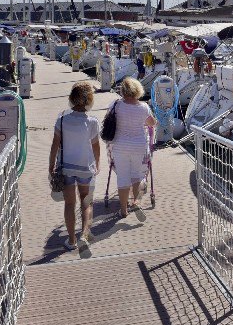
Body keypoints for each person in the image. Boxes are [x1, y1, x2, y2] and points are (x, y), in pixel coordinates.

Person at [48, 81, 101, 249]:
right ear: (89, 100)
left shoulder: (62, 120)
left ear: (71, 98)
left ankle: (71, 240)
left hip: (66, 167)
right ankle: (84, 235)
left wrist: (50, 166)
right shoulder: (92, 122)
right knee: (86, 202)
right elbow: (96, 146)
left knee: (69, 204)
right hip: (86, 166)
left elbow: (55, 145)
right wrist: (97, 164)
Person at [110, 77, 157, 217]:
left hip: (120, 146)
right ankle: (135, 202)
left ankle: (123, 210)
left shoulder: (116, 105)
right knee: (137, 175)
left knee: (123, 177)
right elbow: (152, 123)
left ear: (123, 91)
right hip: (138, 145)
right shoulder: (144, 107)